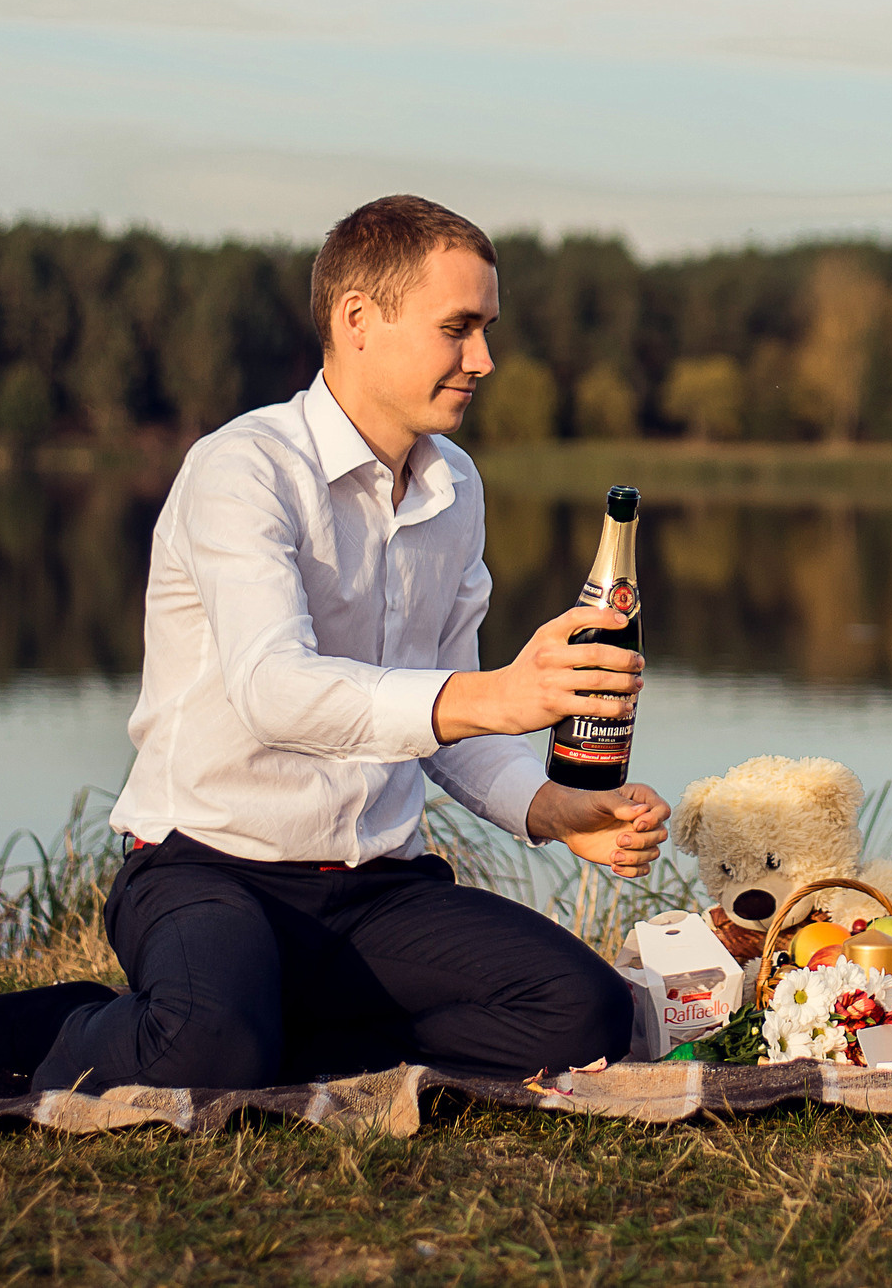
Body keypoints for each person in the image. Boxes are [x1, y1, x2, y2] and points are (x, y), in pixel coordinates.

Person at [34, 195, 666, 1091]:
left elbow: (447, 726)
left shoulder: (457, 486)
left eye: (485, 329)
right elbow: (274, 689)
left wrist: (550, 810)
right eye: (458, 329)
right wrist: (496, 693)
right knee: (204, 1048)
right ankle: (86, 1033)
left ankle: (260, 1035)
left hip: (376, 888)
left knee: (585, 1015)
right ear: (358, 320)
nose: (483, 359)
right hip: (208, 868)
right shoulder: (243, 467)